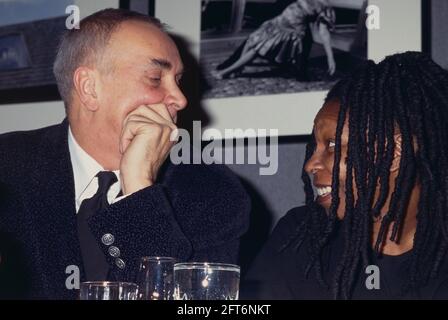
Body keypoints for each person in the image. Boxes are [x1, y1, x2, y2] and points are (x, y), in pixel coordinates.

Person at [0, 9, 250, 299]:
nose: (180, 99)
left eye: (178, 80)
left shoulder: (210, 190)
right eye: (156, 78)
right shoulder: (7, 168)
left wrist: (139, 191)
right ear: (89, 88)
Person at [243, 52, 448, 299]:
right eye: (314, 146)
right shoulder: (303, 236)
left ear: (394, 153)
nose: (310, 164)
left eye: (332, 145)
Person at [215, 0, 336, 80]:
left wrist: (330, 58)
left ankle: (226, 72)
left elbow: (323, 32)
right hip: (276, 23)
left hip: (288, 31)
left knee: (256, 49)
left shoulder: (325, 5)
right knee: (251, 40)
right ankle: (238, 69)